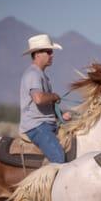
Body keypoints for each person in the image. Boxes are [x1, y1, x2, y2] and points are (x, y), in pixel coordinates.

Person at [19, 34, 71, 163]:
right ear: (37, 54)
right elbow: (38, 99)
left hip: (46, 124)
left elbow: (43, 105)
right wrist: (54, 96)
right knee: (58, 157)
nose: (52, 55)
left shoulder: (42, 75)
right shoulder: (33, 74)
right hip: (36, 126)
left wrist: (60, 117)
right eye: (48, 52)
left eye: (51, 52)